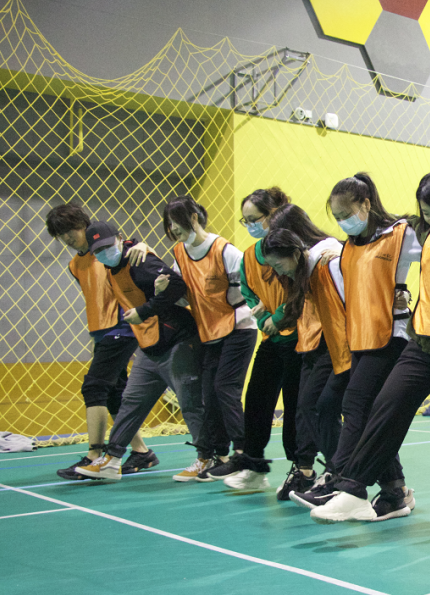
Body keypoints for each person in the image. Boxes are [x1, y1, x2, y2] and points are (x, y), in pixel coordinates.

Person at [310, 168, 430, 523]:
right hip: (423, 341)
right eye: (426, 213)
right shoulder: (424, 231)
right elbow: (387, 228)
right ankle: (353, 490)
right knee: (386, 407)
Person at [288, 174, 420, 519]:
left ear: (366, 204)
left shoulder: (401, 235)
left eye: (347, 214)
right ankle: (394, 491)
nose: (342, 222)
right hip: (361, 338)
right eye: (336, 217)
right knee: (373, 412)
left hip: (392, 336)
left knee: (355, 404)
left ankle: (343, 482)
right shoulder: (349, 246)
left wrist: (413, 300)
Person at [72, 220, 208, 481]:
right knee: (131, 401)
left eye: (108, 246)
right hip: (149, 345)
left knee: (190, 403)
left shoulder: (140, 261)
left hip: (177, 340)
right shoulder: (112, 267)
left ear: (119, 239)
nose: (104, 252)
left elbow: (177, 286)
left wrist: (144, 311)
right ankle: (111, 459)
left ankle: (207, 457)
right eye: (97, 250)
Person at [44, 204, 157, 479]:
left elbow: (134, 252)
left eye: (71, 230)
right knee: (115, 392)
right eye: (61, 234)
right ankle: (142, 453)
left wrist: (143, 245)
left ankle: (95, 455)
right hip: (101, 332)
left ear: (83, 225)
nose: (67, 238)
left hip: (123, 327)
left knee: (94, 386)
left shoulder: (110, 251)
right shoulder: (75, 265)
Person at [161, 195, 263, 487]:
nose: (172, 228)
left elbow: (249, 290)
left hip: (239, 328)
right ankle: (215, 456)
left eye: (176, 222)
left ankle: (245, 456)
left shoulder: (225, 251)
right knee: (209, 393)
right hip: (210, 332)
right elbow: (184, 297)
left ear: (193, 218)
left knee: (225, 389)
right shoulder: (179, 254)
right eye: (168, 223)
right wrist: (165, 290)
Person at [236, 187, 318, 495]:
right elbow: (248, 293)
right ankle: (253, 465)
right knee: (257, 399)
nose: (250, 226)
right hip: (271, 337)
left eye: (254, 219)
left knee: (296, 406)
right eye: (245, 221)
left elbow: (300, 291)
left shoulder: (298, 251)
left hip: (300, 338)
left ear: (273, 214)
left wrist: (279, 316)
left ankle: (302, 468)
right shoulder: (249, 257)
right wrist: (264, 321)